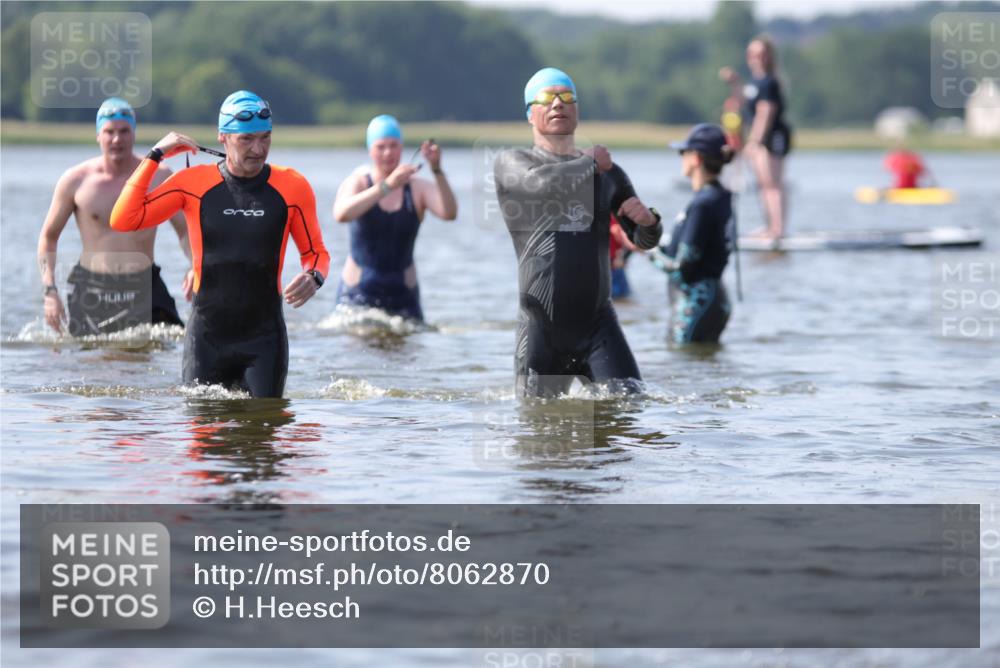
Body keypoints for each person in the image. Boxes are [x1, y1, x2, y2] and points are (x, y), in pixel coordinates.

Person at [110, 90, 330, 398]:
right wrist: (155, 155)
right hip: (206, 341)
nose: (258, 149)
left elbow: (316, 253)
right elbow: (124, 219)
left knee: (263, 441)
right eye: (247, 139)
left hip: (264, 341)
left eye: (265, 138)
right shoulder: (193, 184)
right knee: (203, 441)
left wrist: (314, 277)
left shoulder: (292, 186)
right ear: (223, 137)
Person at [494, 67, 663, 397]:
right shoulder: (513, 163)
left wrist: (649, 222)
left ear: (577, 109)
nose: (558, 104)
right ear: (531, 114)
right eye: (547, 98)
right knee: (538, 434)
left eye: (566, 97)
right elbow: (542, 185)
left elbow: (645, 241)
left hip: (598, 326)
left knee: (631, 408)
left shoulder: (608, 174)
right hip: (541, 327)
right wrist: (589, 164)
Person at [38, 97, 192, 337]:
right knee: (91, 360)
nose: (117, 139)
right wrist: (50, 291)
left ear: (134, 133)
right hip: (92, 287)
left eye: (124, 131)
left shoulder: (159, 177)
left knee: (177, 344)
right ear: (98, 135)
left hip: (145, 285)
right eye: (109, 132)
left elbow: (185, 231)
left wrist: (195, 266)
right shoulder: (76, 180)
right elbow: (49, 237)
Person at [332, 115, 457, 321]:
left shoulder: (416, 188)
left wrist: (436, 170)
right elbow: (341, 214)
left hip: (404, 296)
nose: (388, 152)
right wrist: (387, 186)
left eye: (393, 145)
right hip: (358, 294)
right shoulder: (359, 183)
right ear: (370, 150)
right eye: (381, 147)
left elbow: (449, 213)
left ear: (401, 147)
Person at [659, 124, 734, 344]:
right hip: (714, 300)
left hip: (696, 304)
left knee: (681, 365)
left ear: (696, 159)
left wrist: (646, 250)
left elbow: (682, 269)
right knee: (701, 369)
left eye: (683, 152)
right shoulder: (720, 197)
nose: (681, 158)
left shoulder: (703, 204)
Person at [720, 34, 791, 239]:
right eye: (751, 54)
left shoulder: (769, 82)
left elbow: (765, 112)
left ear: (768, 56)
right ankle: (769, 226)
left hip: (773, 136)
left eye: (760, 54)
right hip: (759, 138)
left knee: (773, 184)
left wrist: (755, 141)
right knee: (763, 185)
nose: (755, 58)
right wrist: (734, 83)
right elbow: (743, 100)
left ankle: (778, 229)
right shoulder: (755, 82)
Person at [609, 215, 637, 300]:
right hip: (612, 269)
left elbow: (633, 245)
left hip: (613, 268)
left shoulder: (616, 219)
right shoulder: (617, 219)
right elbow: (633, 245)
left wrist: (624, 257)